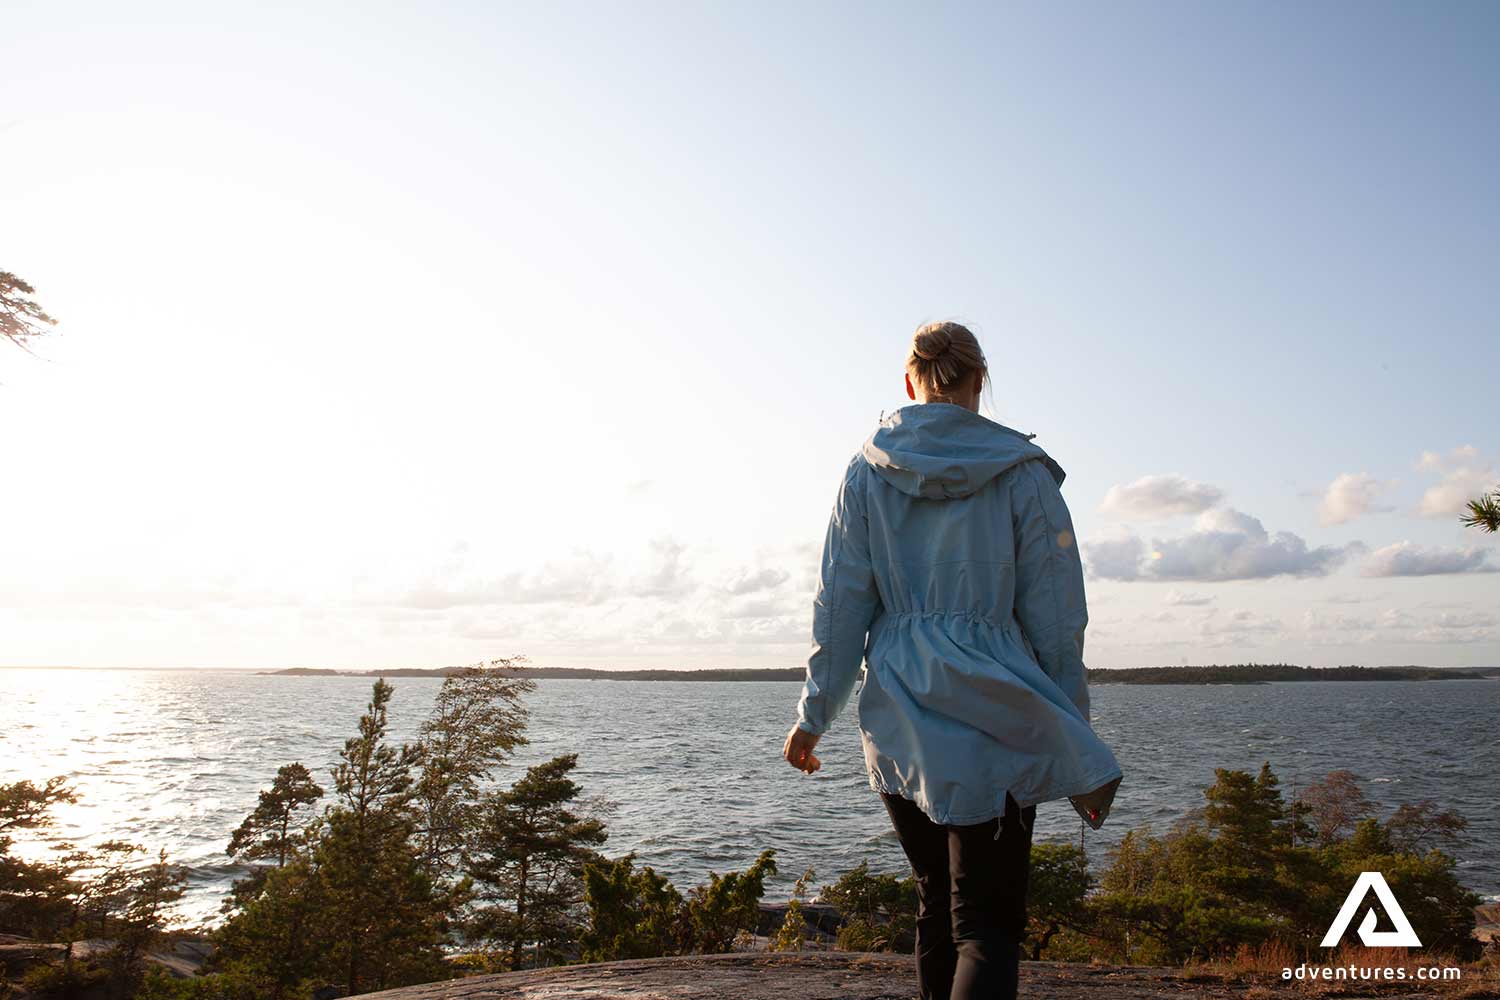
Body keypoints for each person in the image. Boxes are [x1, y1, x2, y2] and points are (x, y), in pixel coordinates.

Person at [782, 321, 1123, 1000]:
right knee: (989, 927)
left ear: (910, 383)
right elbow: (1057, 619)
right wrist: (1071, 730)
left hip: (900, 711)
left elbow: (841, 606)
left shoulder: (865, 471)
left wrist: (814, 715)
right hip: (1000, 706)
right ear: (978, 382)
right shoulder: (1023, 475)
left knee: (936, 903)